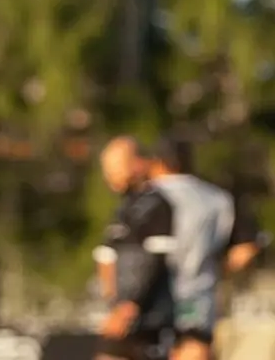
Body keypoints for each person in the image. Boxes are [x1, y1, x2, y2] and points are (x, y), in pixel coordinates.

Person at [146, 135, 265, 360]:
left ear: (156, 162)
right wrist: (218, 269)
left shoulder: (144, 198)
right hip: (197, 298)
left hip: (150, 299)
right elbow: (246, 248)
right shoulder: (217, 199)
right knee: (194, 349)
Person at [93, 136, 176, 360]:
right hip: (124, 312)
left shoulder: (157, 205)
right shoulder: (124, 209)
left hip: (149, 316)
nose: (108, 176)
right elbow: (107, 254)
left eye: (114, 168)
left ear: (137, 164)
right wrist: (112, 299)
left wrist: (128, 307)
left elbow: (155, 260)